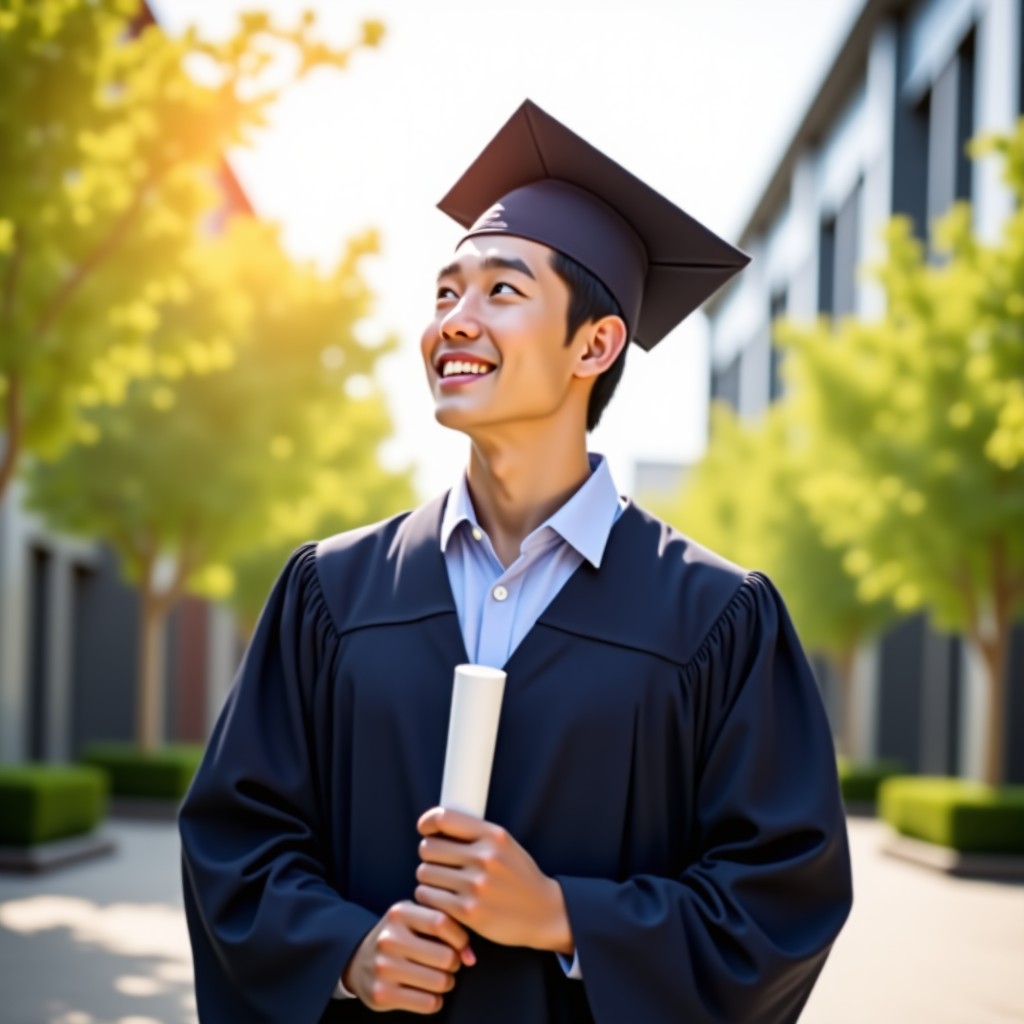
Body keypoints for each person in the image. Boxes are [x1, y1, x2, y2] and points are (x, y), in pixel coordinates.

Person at [179, 99, 853, 1023]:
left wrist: (568, 918)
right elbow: (234, 838)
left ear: (595, 343)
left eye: (501, 291)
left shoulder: (714, 617)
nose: (455, 319)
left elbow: (780, 900)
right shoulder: (331, 592)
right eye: (445, 292)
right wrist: (347, 950)